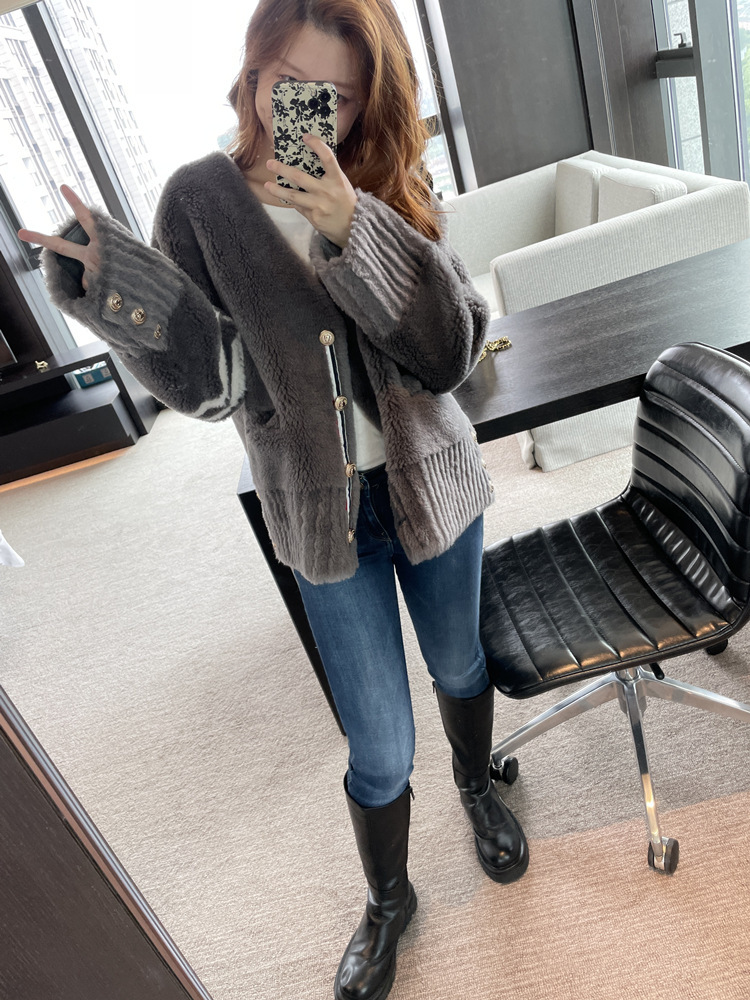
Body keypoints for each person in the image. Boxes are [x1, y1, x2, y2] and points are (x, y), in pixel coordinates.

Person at [19, 2, 528, 997]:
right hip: (317, 511)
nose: (310, 110)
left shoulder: (384, 177)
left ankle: (477, 782)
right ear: (253, 72)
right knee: (378, 742)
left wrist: (353, 225)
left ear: (367, 101)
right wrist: (118, 287)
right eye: (289, 82)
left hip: (434, 481)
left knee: (460, 660)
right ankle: (390, 898)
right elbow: (215, 386)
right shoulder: (199, 201)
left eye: (338, 94)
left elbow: (450, 353)